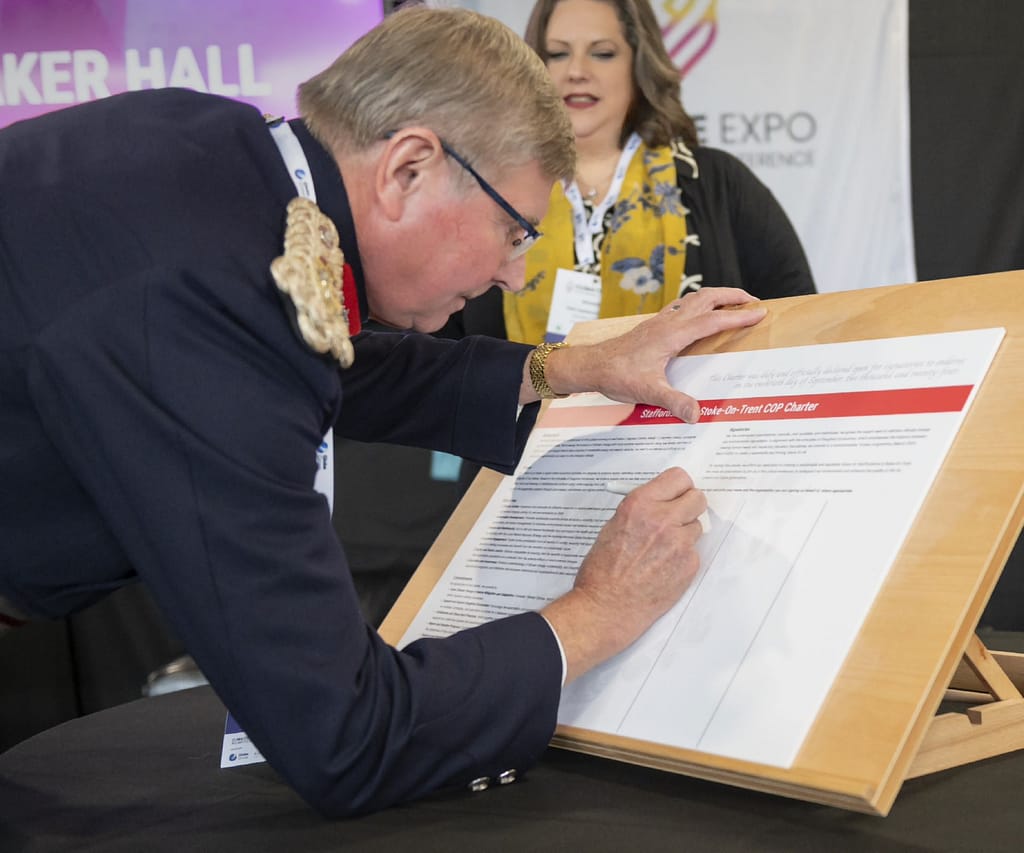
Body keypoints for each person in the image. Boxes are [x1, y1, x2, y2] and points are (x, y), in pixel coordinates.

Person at [0, 7, 766, 817]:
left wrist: (568, 366)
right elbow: (346, 734)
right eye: (513, 232)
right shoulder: (198, 313)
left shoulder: (215, 155)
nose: (514, 274)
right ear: (407, 168)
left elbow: (310, 348)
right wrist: (595, 614)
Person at [438, 0, 814, 344]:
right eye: (557, 54)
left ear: (639, 65)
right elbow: (438, 345)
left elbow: (800, 325)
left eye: (602, 53)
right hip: (516, 419)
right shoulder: (488, 188)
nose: (577, 71)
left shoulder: (717, 183)